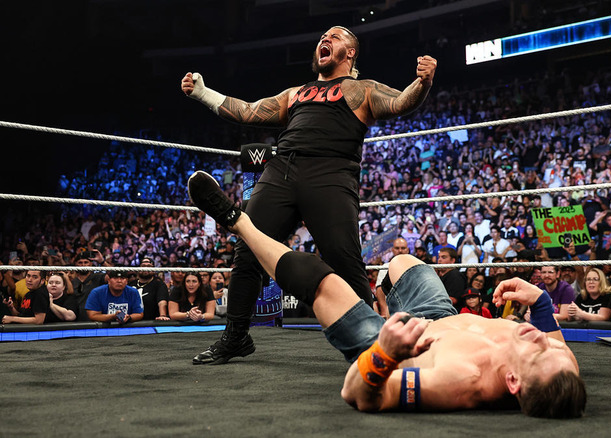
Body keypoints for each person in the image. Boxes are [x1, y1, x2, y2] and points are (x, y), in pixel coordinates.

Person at [186, 171, 585, 416]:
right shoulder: (560, 366)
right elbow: (555, 346)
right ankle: (377, 300)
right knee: (403, 262)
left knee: (318, 277)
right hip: (440, 316)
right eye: (556, 349)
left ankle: (238, 222)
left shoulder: (459, 381)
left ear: (512, 382)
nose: (545, 342)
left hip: (396, 343)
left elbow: (360, 395)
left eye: (540, 352)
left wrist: (386, 352)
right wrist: (541, 302)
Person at [181, 26, 437, 365]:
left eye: (335, 36)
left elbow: (401, 102)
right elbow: (247, 111)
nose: (325, 39)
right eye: (322, 37)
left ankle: (369, 343)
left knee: (345, 260)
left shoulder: (362, 89)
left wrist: (422, 82)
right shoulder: (296, 93)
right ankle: (236, 336)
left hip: (332, 174)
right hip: (281, 170)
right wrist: (203, 94)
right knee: (249, 249)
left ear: (351, 52)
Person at [129, 257, 170, 321]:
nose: (146, 268)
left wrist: (162, 315)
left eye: (149, 266)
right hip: (131, 321)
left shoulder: (159, 284)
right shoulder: (131, 284)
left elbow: (162, 301)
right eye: (143, 266)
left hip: (151, 321)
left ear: (153, 269)